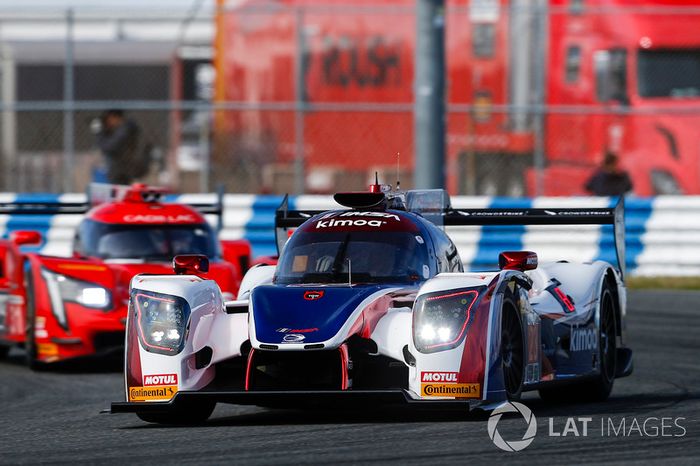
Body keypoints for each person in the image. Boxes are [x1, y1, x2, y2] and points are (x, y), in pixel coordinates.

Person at [91, 109, 143, 184]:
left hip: (124, 170)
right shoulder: (117, 130)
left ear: (116, 118)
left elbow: (108, 147)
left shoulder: (126, 129)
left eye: (110, 118)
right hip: (118, 169)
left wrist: (99, 133)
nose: (109, 122)